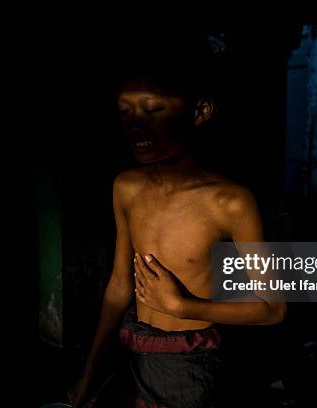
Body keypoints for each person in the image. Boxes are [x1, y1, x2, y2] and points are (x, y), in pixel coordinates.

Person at [68, 38, 286, 407]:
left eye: (153, 109)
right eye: (125, 111)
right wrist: (89, 374)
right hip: (130, 350)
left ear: (200, 112)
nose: (136, 124)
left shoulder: (229, 202)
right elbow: (120, 285)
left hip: (192, 364)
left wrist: (183, 306)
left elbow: (273, 308)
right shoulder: (127, 188)